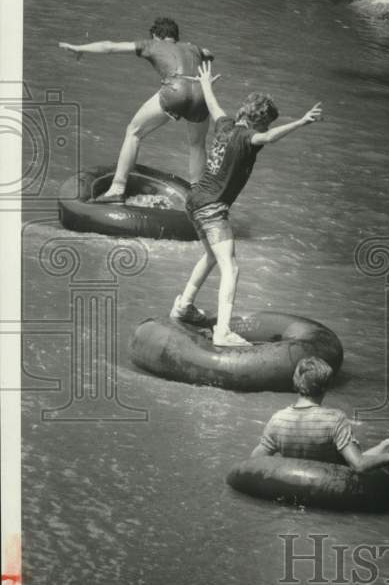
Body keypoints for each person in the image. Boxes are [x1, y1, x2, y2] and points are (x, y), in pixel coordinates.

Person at [171, 61, 322, 347]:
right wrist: (301, 122)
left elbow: (215, 107)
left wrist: (205, 84)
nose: (268, 127)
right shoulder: (249, 137)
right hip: (212, 209)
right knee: (232, 268)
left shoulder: (226, 126)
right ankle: (223, 331)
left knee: (212, 256)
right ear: (259, 121)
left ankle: (184, 306)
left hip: (194, 201)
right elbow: (268, 138)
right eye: (267, 122)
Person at [58, 17, 214, 202]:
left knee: (133, 132)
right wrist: (204, 55)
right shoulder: (192, 47)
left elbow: (110, 46)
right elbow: (208, 53)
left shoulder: (151, 45)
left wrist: (80, 48)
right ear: (175, 37)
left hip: (175, 89)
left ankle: (117, 188)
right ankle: (200, 198)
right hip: (202, 92)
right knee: (197, 145)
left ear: (156, 36)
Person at [250, 357, 389, 474]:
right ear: (326, 387)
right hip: (337, 478)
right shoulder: (335, 420)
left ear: (295, 383)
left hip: (297, 479)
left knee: (387, 445)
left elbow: (254, 461)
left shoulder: (278, 420)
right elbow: (358, 465)